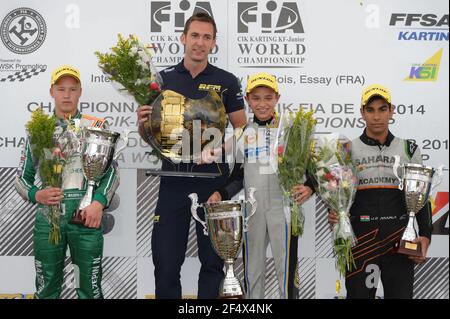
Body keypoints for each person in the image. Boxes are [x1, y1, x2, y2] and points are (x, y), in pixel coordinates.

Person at [137, 13, 247, 299]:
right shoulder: (162, 80)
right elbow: (150, 136)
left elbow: (244, 132)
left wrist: (220, 150)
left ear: (214, 43)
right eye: (195, 36)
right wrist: (142, 124)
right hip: (172, 181)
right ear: (183, 38)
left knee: (213, 262)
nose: (200, 42)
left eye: (206, 37)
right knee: (165, 261)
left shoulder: (227, 82)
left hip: (212, 184)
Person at [15, 65, 120, 299]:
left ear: (80, 92)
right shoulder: (38, 129)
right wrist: (36, 195)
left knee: (90, 290)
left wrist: (98, 203)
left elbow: (112, 173)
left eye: (72, 89)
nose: (66, 94)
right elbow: (21, 178)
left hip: (86, 216)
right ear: (51, 91)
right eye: (61, 89)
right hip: (48, 215)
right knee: (46, 288)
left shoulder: (96, 126)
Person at [207, 72, 314, 299]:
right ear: (247, 100)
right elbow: (237, 176)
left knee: (285, 268)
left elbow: (312, 168)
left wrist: (310, 187)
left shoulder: (291, 130)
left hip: (283, 208)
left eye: (268, 97)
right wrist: (220, 193)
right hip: (252, 211)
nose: (262, 103)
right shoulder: (243, 133)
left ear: (277, 98)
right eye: (256, 98)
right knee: (252, 270)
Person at [328, 84, 432, 299]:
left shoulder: (408, 149)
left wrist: (425, 235)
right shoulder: (346, 149)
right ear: (362, 113)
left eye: (382, 109)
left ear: (391, 111)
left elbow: (421, 198)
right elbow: (330, 189)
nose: (376, 116)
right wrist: (337, 212)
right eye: (371, 110)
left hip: (400, 240)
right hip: (361, 240)